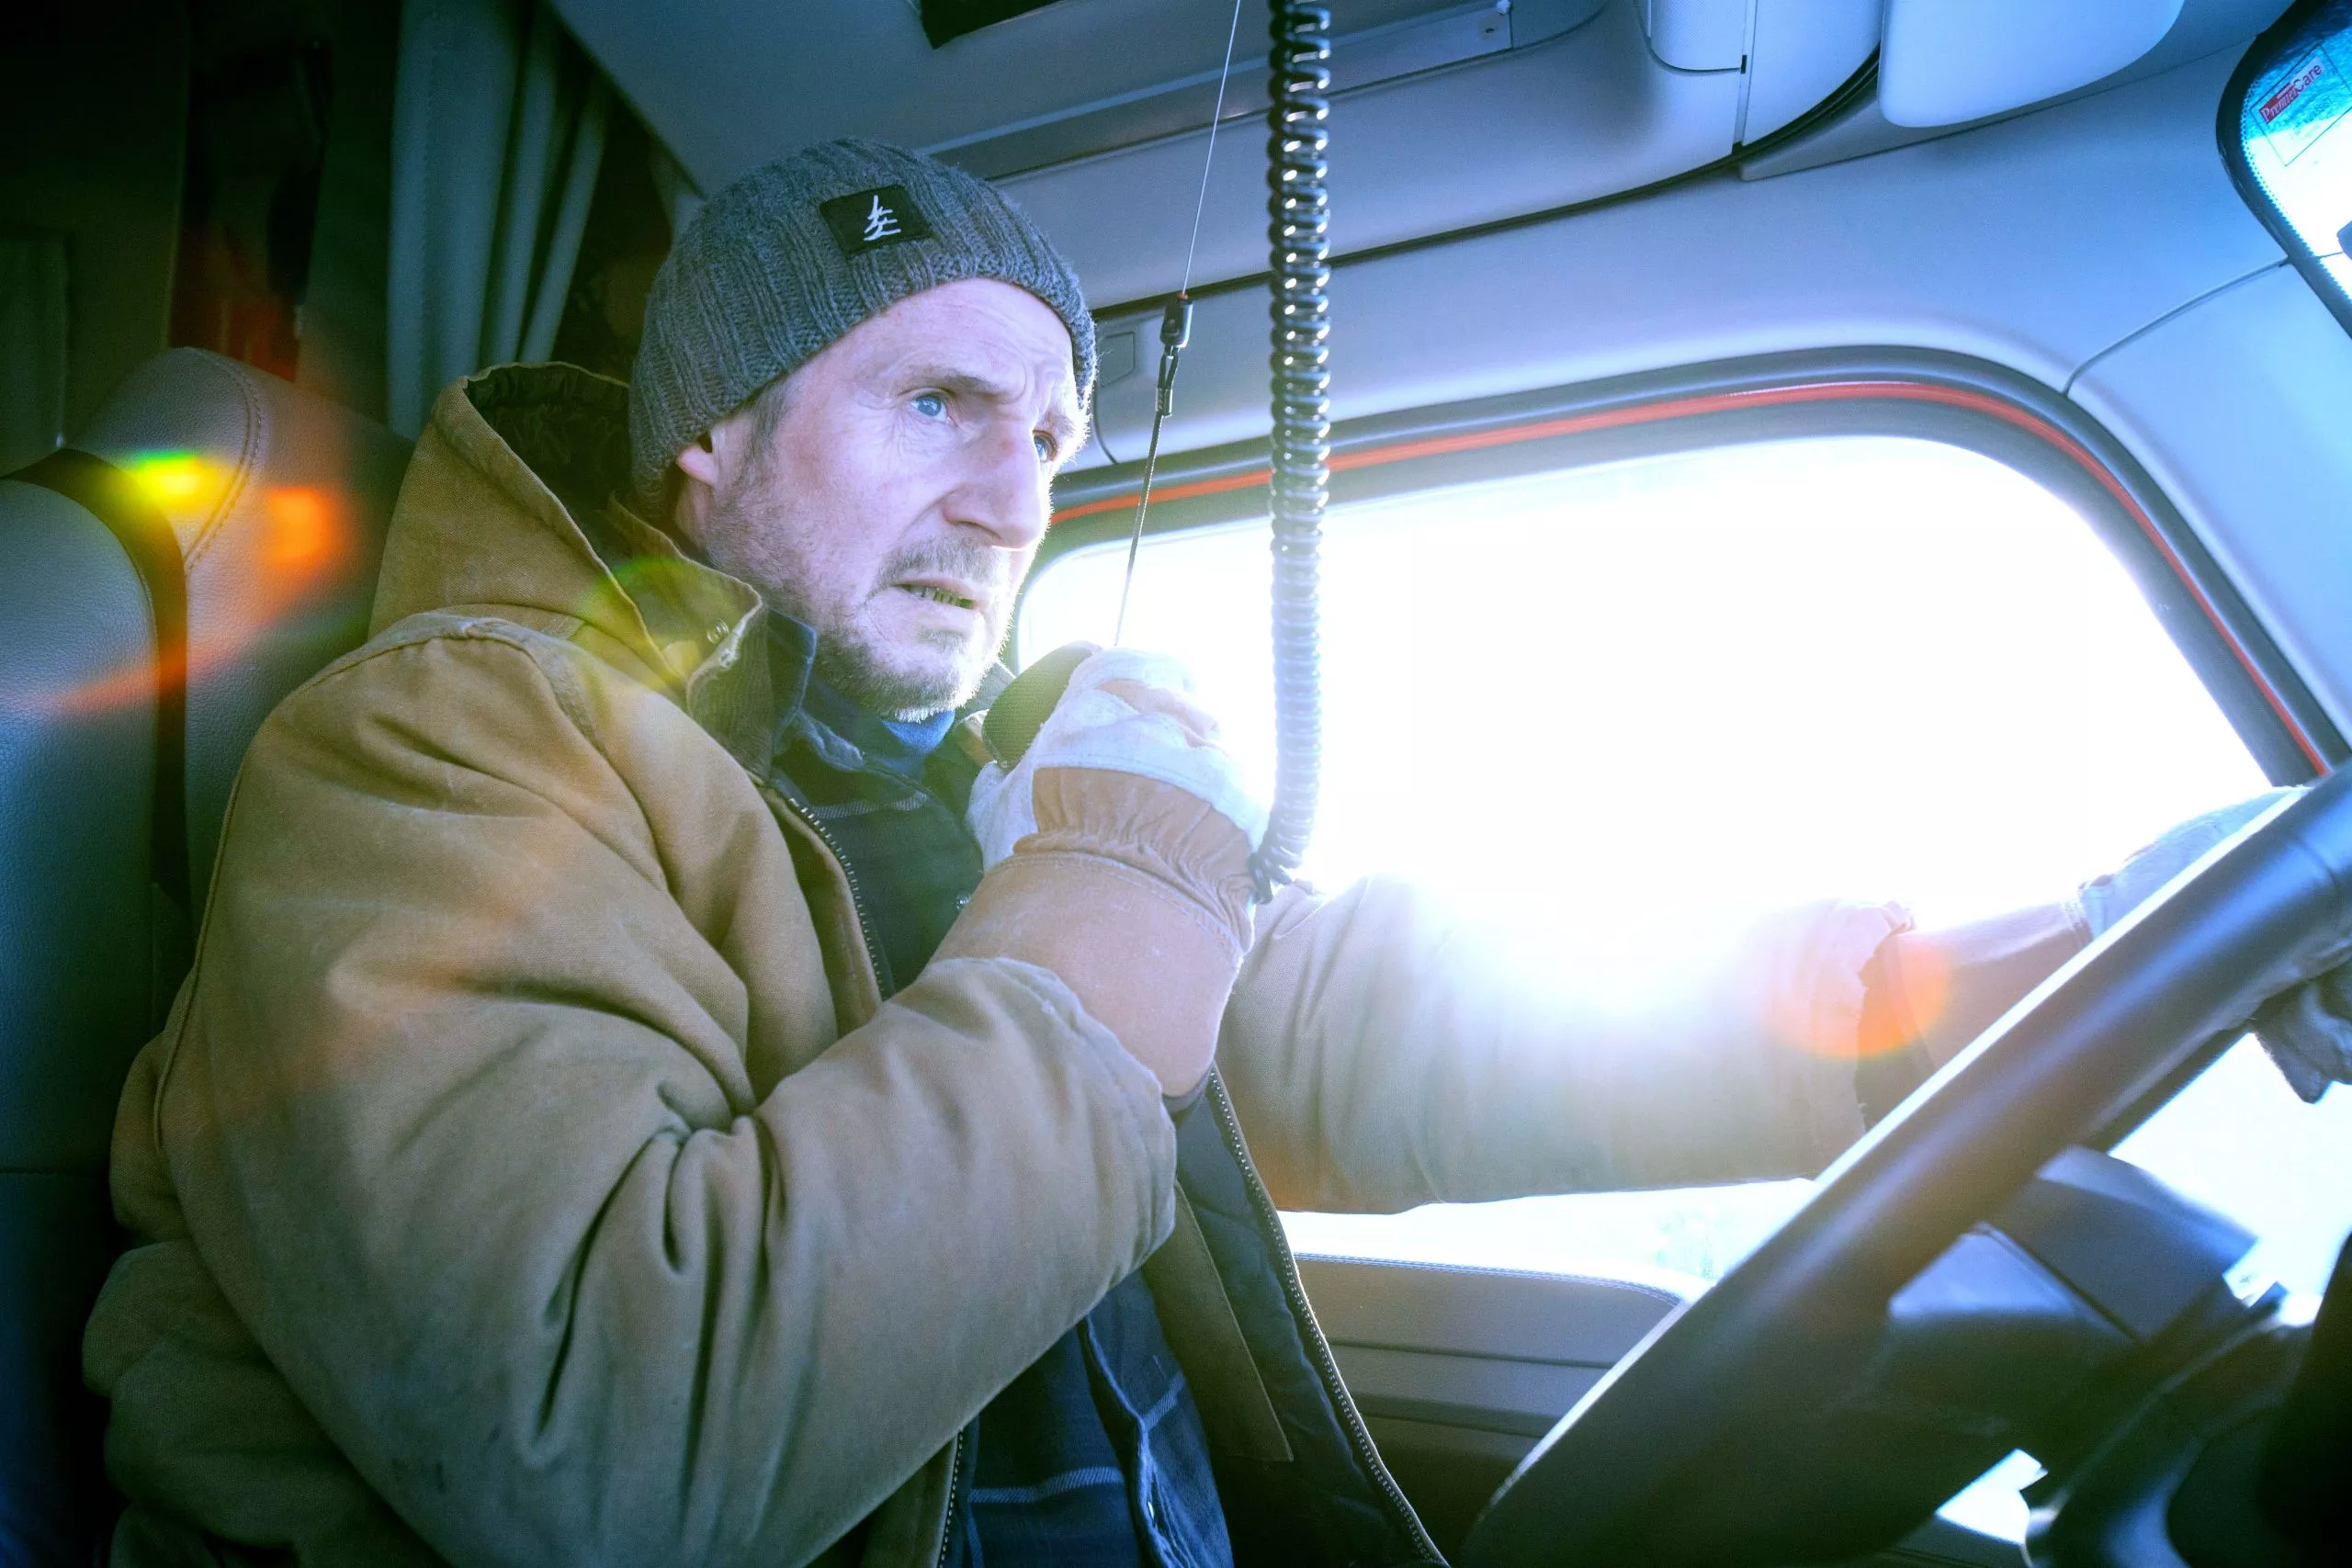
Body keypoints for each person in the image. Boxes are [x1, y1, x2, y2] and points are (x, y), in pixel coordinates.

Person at [81, 139, 2352, 1568]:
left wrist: (2013, 971)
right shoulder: (433, 754)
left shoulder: (928, 781)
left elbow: (1364, 1023)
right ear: (709, 437)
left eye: (1049, 435)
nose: (1012, 499)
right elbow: (611, 1436)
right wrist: (1135, 869)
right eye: (934, 403)